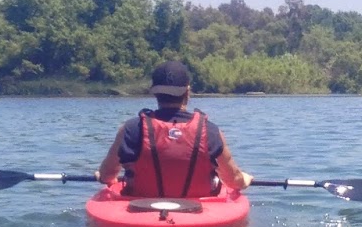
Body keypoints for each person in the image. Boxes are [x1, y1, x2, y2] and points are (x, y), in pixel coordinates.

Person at [97, 61, 252, 197]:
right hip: (198, 215)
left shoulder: (131, 129)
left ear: (155, 93)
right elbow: (234, 181)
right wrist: (245, 179)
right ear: (187, 91)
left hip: (141, 210)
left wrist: (104, 177)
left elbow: (107, 175)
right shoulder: (210, 131)